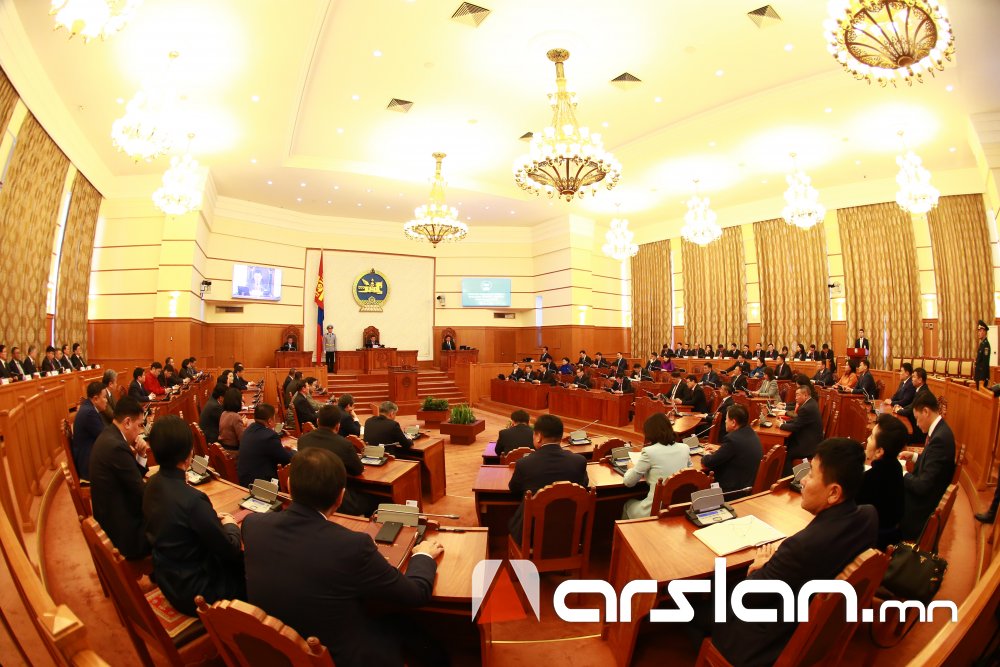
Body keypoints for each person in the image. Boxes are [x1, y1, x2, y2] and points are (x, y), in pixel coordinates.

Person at [243, 447, 444, 667]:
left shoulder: (253, 526)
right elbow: (415, 594)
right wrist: (423, 554)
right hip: (336, 658)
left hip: (275, 653)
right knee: (403, 624)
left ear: (288, 485)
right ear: (341, 496)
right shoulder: (353, 546)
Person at [707, 438, 877, 666]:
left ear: (834, 493)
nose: (803, 480)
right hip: (815, 631)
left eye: (811, 475)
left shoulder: (802, 547)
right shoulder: (868, 517)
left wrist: (758, 568)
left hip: (766, 644)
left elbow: (747, 597)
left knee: (702, 605)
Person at [142, 415, 245, 615]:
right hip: (197, 593)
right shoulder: (193, 500)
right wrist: (230, 524)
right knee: (251, 572)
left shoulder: (150, 484)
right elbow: (229, 549)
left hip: (168, 580)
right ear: (189, 453)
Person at [89, 397, 151, 560]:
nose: (140, 432)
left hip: (115, 517)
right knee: (171, 527)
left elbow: (132, 479)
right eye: (140, 425)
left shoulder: (110, 435)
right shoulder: (116, 446)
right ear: (128, 422)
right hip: (124, 534)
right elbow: (140, 491)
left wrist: (141, 455)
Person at [508, 415, 589, 540]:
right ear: (561, 436)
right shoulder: (579, 461)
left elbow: (514, 489)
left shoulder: (524, 464)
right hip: (570, 532)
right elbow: (584, 485)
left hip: (532, 535)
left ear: (539, 437)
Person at [297, 404, 377, 516]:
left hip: (309, 495)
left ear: (318, 421)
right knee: (376, 499)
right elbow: (358, 470)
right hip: (336, 499)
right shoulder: (344, 444)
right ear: (338, 425)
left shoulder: (302, 440)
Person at [899, 391, 955, 540]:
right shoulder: (940, 431)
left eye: (917, 418)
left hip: (922, 508)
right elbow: (932, 462)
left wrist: (903, 473)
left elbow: (922, 486)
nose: (917, 424)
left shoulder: (940, 439)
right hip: (927, 496)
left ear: (926, 411)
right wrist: (914, 456)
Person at [620, 413, 690, 518]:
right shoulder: (685, 448)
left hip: (655, 510)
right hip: (677, 508)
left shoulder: (649, 452)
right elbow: (689, 471)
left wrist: (631, 468)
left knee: (628, 505)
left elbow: (628, 482)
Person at [859, 414, 907, 549]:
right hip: (893, 536)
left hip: (874, 545)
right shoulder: (896, 467)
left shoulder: (870, 479)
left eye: (871, 437)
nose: (867, 439)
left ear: (879, 451)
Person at [701, 405, 762, 497]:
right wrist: (720, 449)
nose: (725, 421)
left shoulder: (732, 439)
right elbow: (737, 450)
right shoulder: (751, 433)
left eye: (726, 419)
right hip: (747, 485)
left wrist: (705, 454)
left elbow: (709, 462)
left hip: (732, 491)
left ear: (733, 422)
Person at [237, 404, 295, 488]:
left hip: (244, 480)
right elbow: (287, 459)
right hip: (261, 486)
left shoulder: (248, 430)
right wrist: (293, 451)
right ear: (270, 421)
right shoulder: (269, 436)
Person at [779, 384, 824, 475]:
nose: (795, 398)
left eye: (797, 395)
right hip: (810, 438)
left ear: (805, 395)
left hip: (809, 444)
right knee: (787, 443)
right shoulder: (810, 403)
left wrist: (780, 425)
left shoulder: (806, 408)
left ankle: (788, 478)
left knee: (786, 452)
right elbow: (798, 420)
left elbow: (796, 426)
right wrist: (785, 422)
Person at [72, 382, 108, 481]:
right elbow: (105, 437)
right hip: (88, 466)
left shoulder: (88, 407)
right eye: (104, 397)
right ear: (95, 399)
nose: (106, 401)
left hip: (89, 456)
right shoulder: (89, 413)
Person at [894, 367, 932, 444]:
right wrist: (901, 408)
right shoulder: (920, 389)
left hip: (918, 431)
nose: (912, 379)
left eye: (914, 377)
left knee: (897, 435)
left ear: (920, 380)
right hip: (914, 424)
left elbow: (911, 410)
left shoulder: (923, 393)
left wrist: (899, 410)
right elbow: (912, 404)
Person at [975, 320, 991, 387]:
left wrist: (982, 378)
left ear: (984, 332)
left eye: (980, 331)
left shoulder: (986, 345)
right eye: (978, 331)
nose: (978, 333)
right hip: (978, 375)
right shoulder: (982, 344)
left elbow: (985, 363)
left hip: (982, 377)